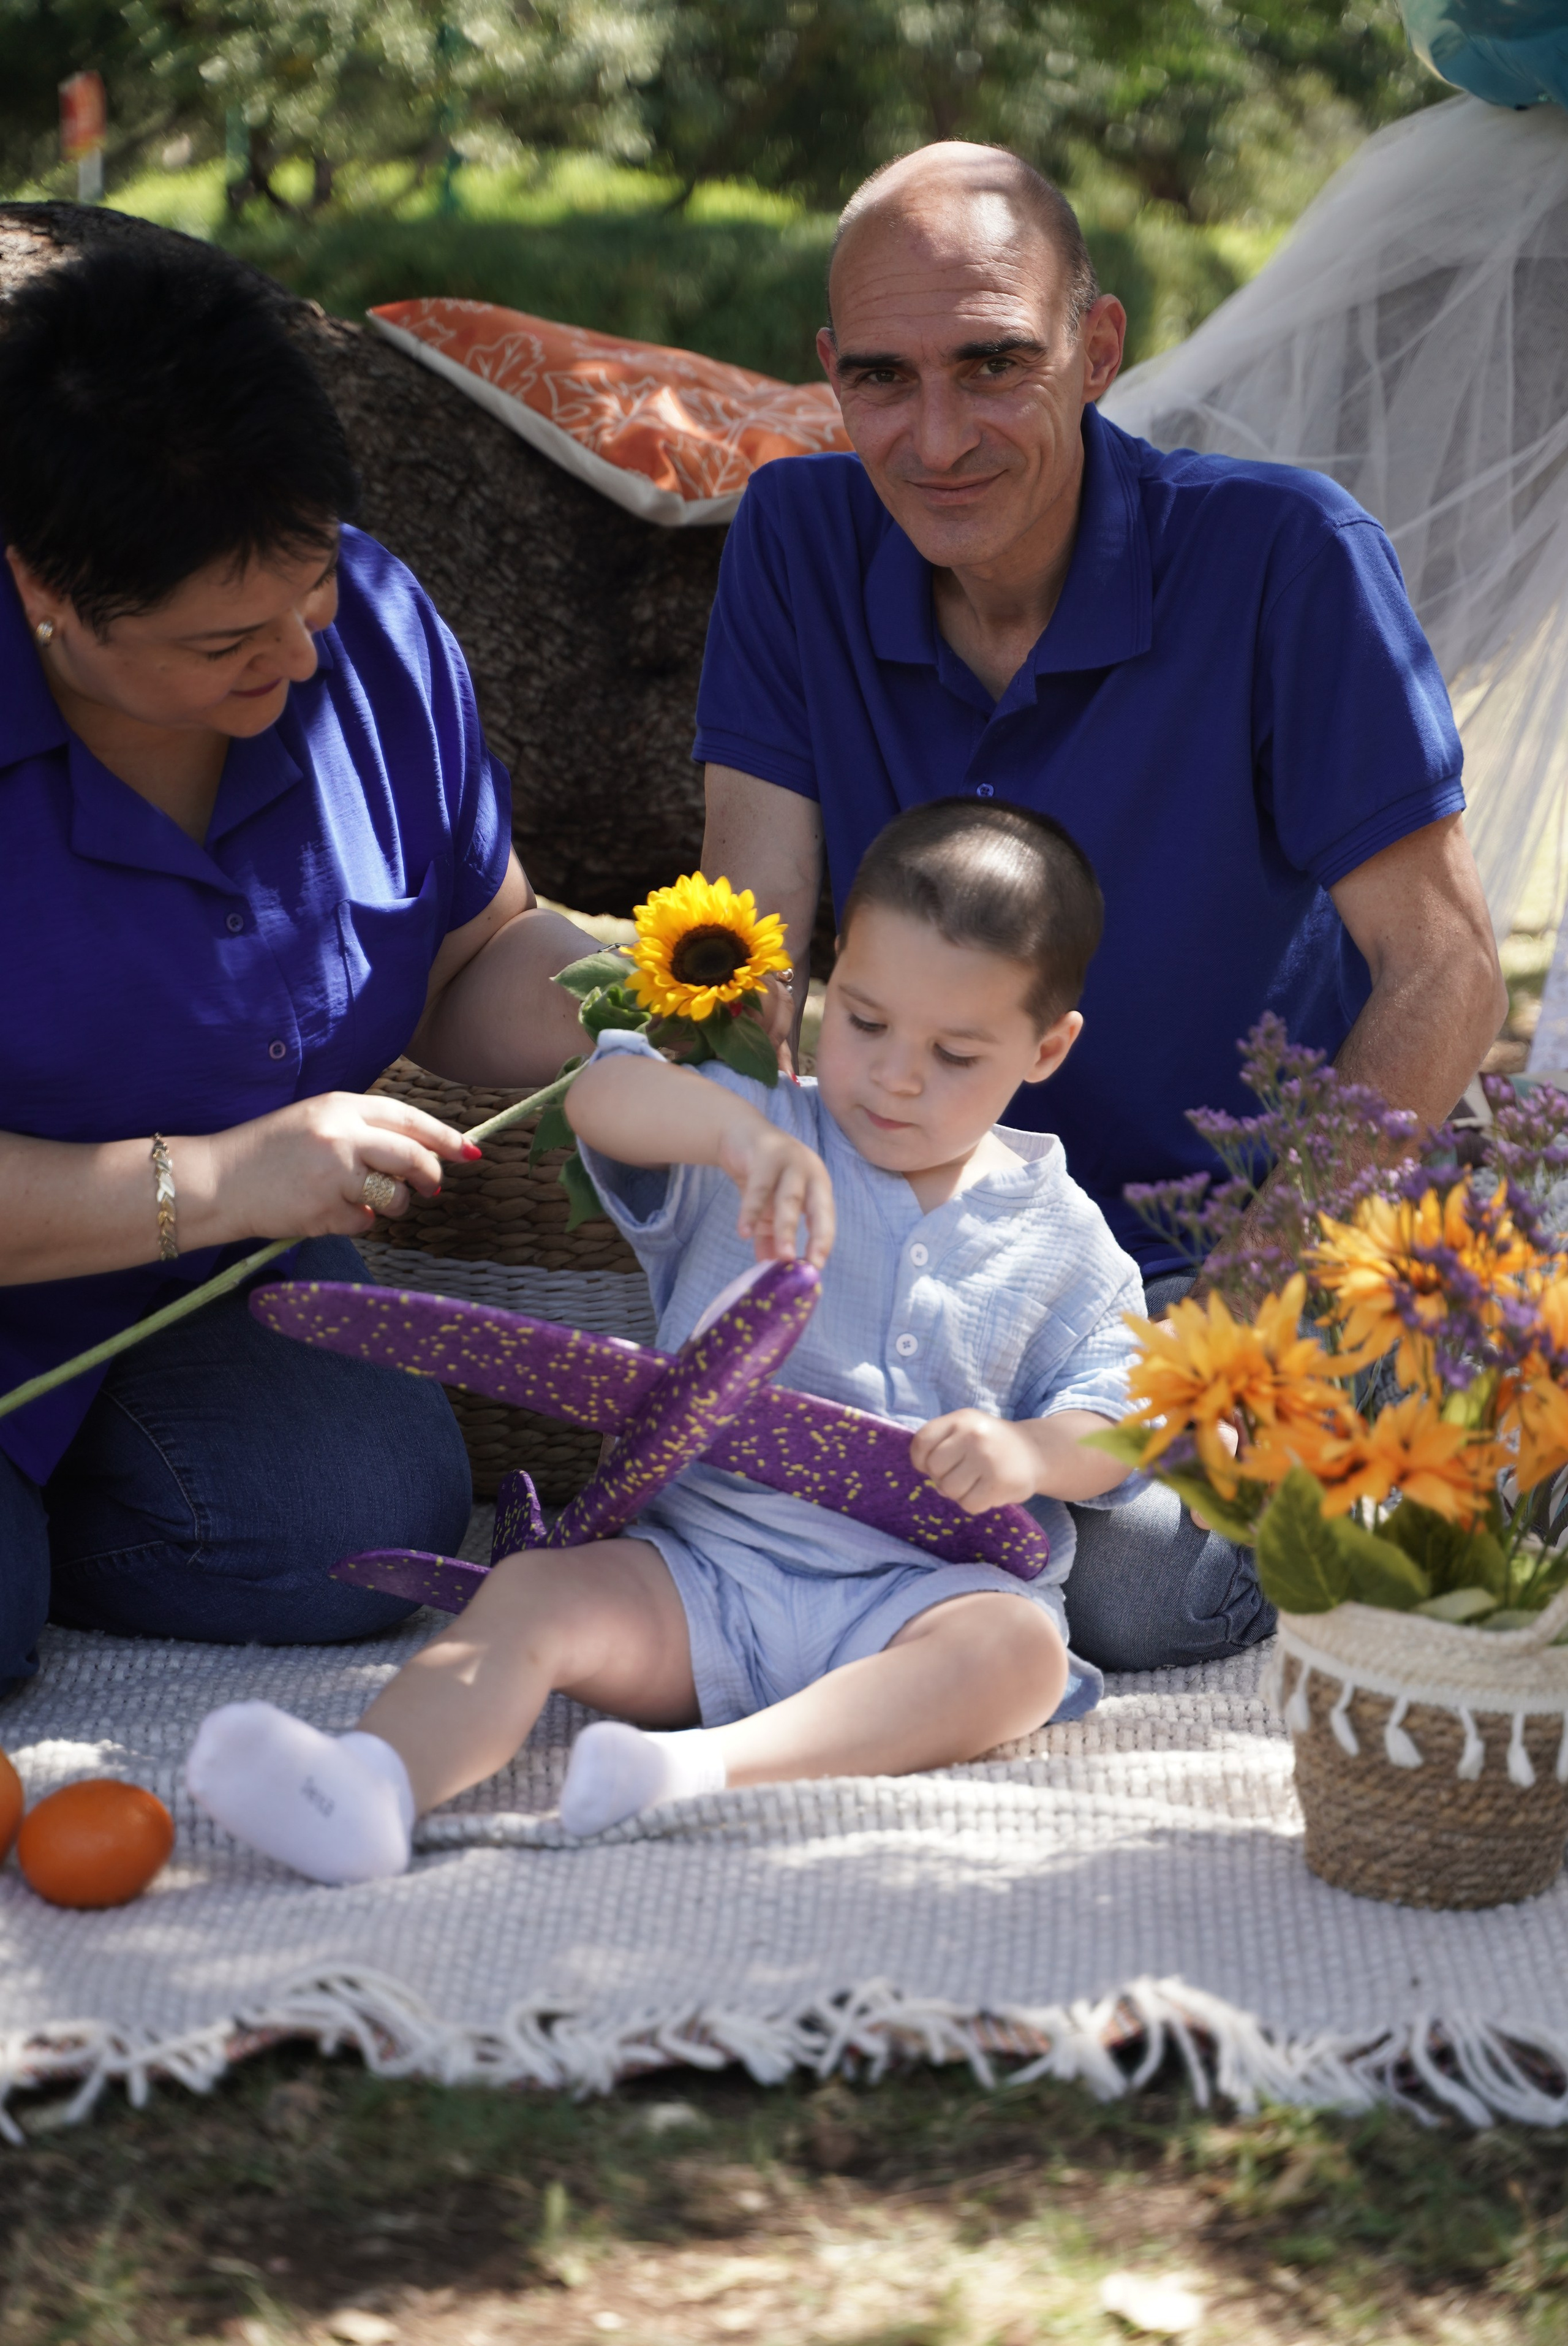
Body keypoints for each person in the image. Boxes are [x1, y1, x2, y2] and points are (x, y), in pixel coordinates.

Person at [696, 141, 1508, 1673]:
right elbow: (749, 941)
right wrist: (773, 1252)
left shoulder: (1284, 556)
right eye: (881, 378)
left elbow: (1446, 971)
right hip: (945, 1232)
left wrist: (1238, 1320)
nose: (935, 436)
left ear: (1098, 347)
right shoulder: (795, 539)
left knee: (1131, 1581)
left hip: (1242, 1240)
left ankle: (1429, 1443)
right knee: (767, 1487)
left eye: (991, 363)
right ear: (829, 373)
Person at [184, 800, 1147, 1884]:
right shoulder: (758, 1125)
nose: (895, 1076)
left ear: (1047, 1047)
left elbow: (1126, 1420)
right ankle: (369, 1783)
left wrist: (1030, 1453)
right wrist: (734, 1136)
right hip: (695, 1574)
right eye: (865, 1021)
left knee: (1019, 1653)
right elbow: (607, 1090)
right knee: (534, 1595)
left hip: (915, 1598)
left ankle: (694, 1773)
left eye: (956, 1053)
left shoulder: (1064, 1236)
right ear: (831, 976)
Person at [0, 240, 599, 1693]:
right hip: (116, 1230)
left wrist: (643, 997)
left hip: (191, 1276)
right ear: (42, 589)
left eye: (313, 578)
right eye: (223, 640)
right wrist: (220, 1182)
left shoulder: (373, 632)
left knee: (354, 1528)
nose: (302, 656)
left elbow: (474, 950)